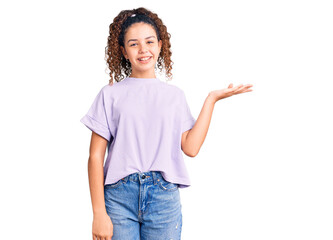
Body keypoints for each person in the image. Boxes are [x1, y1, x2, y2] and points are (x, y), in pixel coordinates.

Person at [80, 7, 253, 240]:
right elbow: (95, 157)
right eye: (133, 44)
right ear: (123, 51)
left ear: (160, 45)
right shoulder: (110, 94)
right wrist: (98, 213)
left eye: (149, 42)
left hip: (163, 197)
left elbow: (190, 148)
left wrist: (211, 100)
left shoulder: (174, 96)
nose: (143, 49)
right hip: (119, 197)